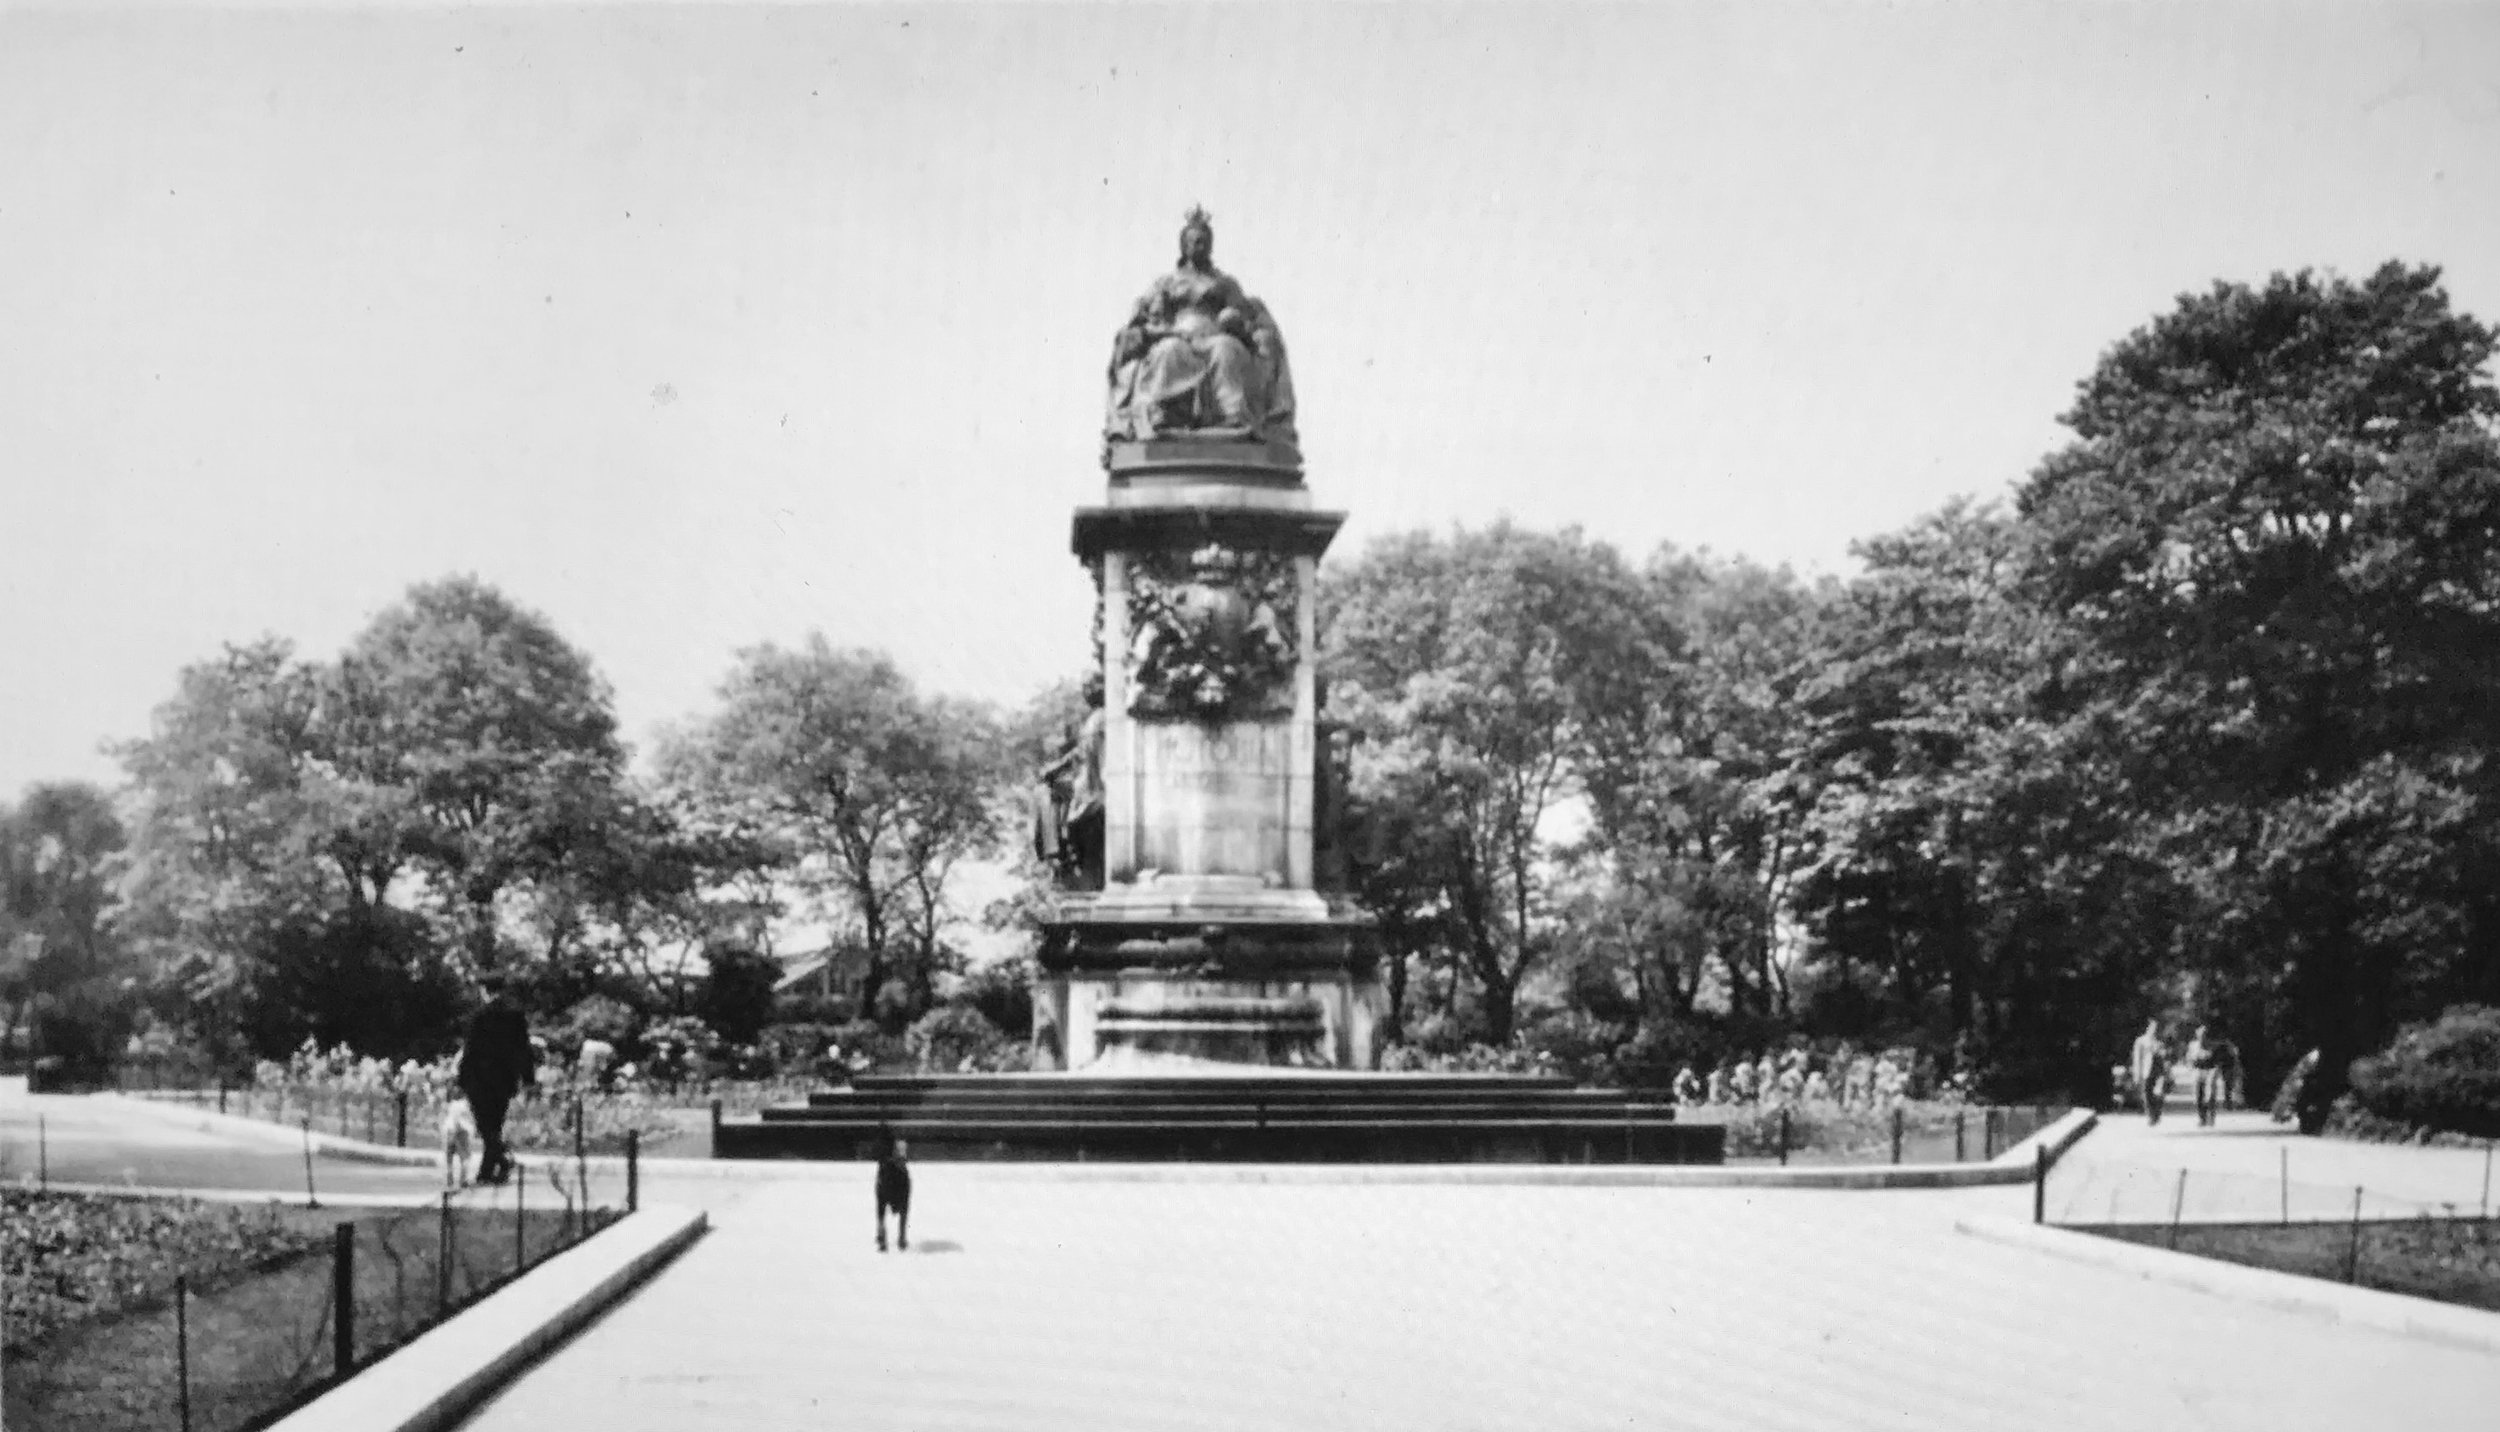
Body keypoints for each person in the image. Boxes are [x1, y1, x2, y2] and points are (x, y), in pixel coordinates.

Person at [457, 971, 537, 1185]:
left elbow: (471, 1050)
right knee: (494, 1124)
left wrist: (461, 1078)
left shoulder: (480, 1015)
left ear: (485, 990)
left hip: (480, 1079)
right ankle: (487, 1171)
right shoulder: (515, 1016)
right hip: (504, 1079)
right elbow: (524, 1049)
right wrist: (528, 1078)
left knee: (486, 1126)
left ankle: (501, 1160)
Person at [875, 1128, 912, 1253]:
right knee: (903, 1207)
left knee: (881, 1206)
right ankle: (901, 1238)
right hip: (896, 1178)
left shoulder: (888, 1146)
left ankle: (883, 1236)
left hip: (887, 1178)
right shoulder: (899, 1144)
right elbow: (903, 1160)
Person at [2128, 1019, 2168, 1126]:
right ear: (2148, 1028)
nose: (2155, 1030)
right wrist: (2137, 1073)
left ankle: (2157, 1112)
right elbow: (2137, 1058)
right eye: (2153, 1028)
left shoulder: (2160, 1041)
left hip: (2159, 1072)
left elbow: (2166, 1058)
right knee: (2147, 1094)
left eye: (2156, 1028)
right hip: (2146, 1071)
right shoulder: (2140, 1041)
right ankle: (2151, 1115)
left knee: (2159, 1093)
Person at [2184, 1025, 2222, 1126]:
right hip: (2197, 1071)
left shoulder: (2213, 1046)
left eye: (2204, 1035)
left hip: (2210, 1071)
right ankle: (2202, 1118)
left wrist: (2216, 1071)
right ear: (2197, 1035)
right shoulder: (2192, 1045)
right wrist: (2190, 1068)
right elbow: (2188, 1059)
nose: (2202, 1037)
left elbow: (2217, 1061)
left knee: (2210, 1096)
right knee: (2198, 1095)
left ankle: (2211, 1116)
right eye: (2200, 1035)